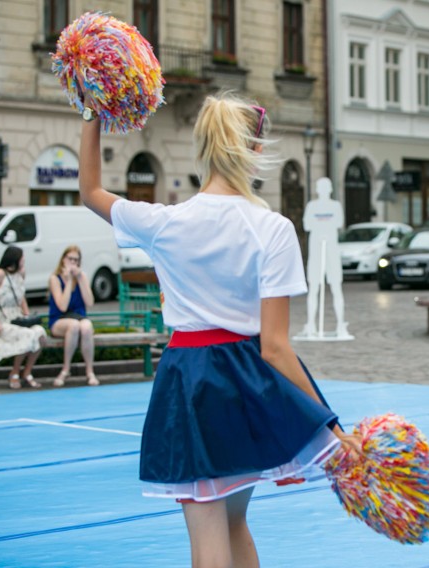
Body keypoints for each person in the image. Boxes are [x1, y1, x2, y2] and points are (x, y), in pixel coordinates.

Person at [78, 93, 360, 567]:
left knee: (208, 539)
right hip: (247, 382)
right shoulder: (272, 228)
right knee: (235, 523)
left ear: (204, 149)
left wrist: (91, 113)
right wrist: (328, 422)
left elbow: (89, 191)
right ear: (251, 150)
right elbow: (274, 348)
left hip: (190, 382)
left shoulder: (163, 222)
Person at [0, 246, 46, 389]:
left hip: (18, 317)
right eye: (22, 257)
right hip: (1, 319)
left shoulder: (21, 274)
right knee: (27, 335)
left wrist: (27, 315)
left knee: (40, 333)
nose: (24, 260)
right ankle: (15, 372)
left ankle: (27, 372)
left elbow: (21, 298)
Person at [300, 177, 350, 338]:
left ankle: (341, 324)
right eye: (319, 187)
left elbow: (339, 222)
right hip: (316, 249)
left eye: (325, 187)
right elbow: (307, 224)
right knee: (313, 287)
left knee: (336, 287)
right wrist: (321, 226)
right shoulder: (312, 206)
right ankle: (311, 324)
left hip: (331, 250)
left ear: (329, 189)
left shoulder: (335, 206)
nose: (322, 190)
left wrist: (321, 225)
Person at [48, 245, 97, 387]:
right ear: (63, 259)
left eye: (76, 260)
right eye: (70, 259)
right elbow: (62, 306)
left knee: (87, 327)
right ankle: (66, 369)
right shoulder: (55, 279)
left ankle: (90, 371)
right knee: (73, 326)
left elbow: (90, 302)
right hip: (59, 320)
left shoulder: (82, 276)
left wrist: (80, 279)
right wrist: (69, 281)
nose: (73, 263)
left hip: (79, 317)